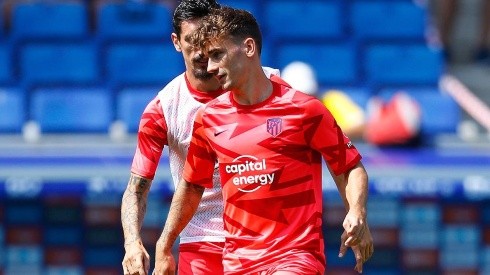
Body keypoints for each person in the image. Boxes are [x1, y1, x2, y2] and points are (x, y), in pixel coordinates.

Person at [154, 6, 373, 275]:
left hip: (295, 257)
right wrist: (164, 243)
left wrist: (357, 212)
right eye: (208, 58)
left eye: (217, 55)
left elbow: (349, 167)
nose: (210, 67)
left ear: (248, 48)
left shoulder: (304, 109)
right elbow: (191, 187)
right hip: (238, 263)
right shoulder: (208, 118)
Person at [120, 1, 281, 274]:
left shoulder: (268, 85)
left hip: (264, 237)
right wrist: (133, 242)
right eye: (190, 41)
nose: (199, 52)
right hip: (202, 239)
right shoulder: (164, 109)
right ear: (176, 42)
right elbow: (136, 189)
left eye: (205, 40)